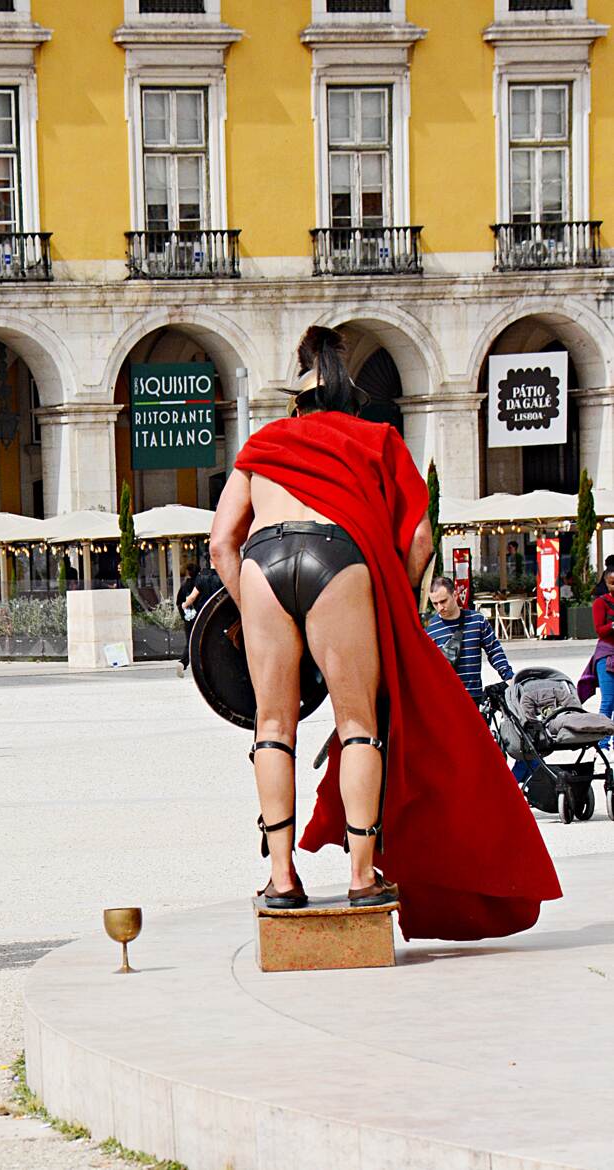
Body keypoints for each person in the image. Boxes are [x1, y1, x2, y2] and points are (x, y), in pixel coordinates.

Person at [208, 324, 560, 941]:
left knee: (272, 727)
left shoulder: (261, 444)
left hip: (263, 560)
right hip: (337, 558)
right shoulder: (378, 437)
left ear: (299, 396)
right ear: (348, 396)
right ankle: (363, 876)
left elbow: (220, 545)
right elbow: (420, 537)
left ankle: (282, 879)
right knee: (359, 725)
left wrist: (244, 610)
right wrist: (389, 597)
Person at [427, 576, 514, 704]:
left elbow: (494, 650)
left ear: (455, 595)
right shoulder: (430, 630)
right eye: (435, 603)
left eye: (443, 601)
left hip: (474, 697)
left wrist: (509, 677)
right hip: (445, 699)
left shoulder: (477, 620)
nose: (440, 607)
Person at [583, 567, 614, 751]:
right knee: (608, 700)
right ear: (606, 583)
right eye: (612, 583)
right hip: (606, 655)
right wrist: (613, 625)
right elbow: (599, 630)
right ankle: (602, 743)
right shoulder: (600, 603)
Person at [174, 562, 198, 677]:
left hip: (188, 617)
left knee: (190, 641)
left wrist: (184, 615)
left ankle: (183, 663)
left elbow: (178, 602)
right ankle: (185, 662)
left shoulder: (184, 586)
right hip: (199, 616)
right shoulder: (199, 584)